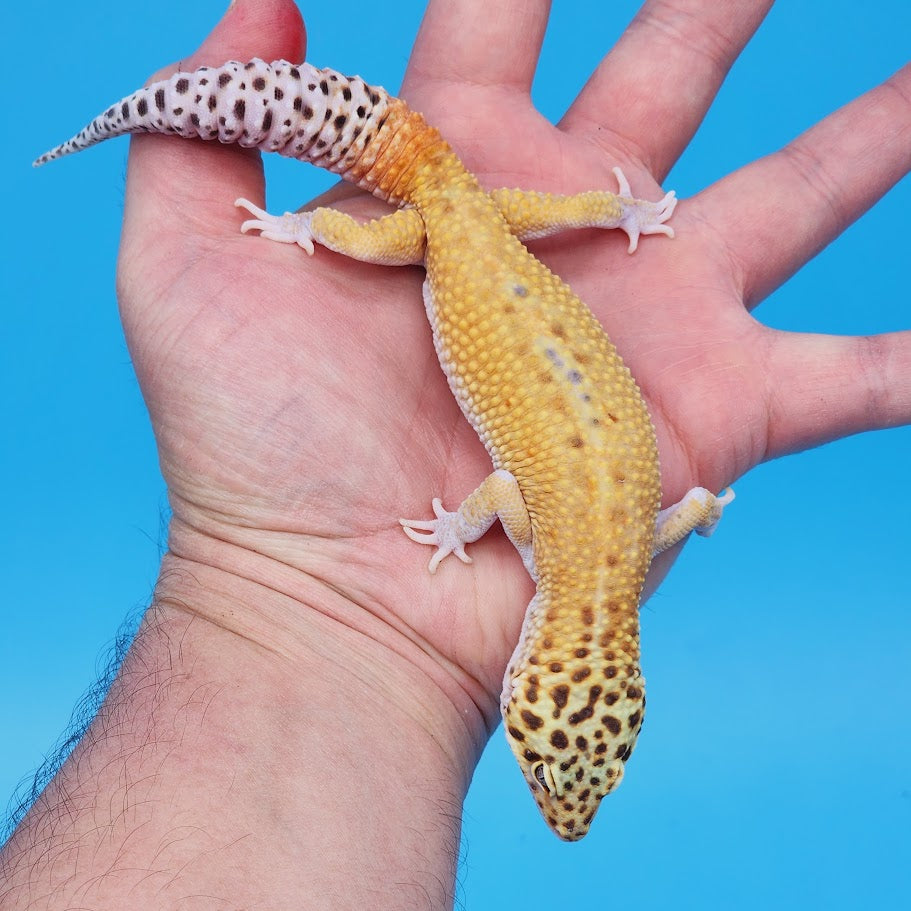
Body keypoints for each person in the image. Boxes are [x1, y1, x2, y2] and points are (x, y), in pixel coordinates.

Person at [2, 0, 908, 906]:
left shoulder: (632, 561)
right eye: (550, 768)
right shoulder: (566, 560)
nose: (554, 802)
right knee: (367, 231)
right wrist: (304, 233)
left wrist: (705, 510)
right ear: (530, 680)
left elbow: (684, 510)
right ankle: (313, 228)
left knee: (492, 206)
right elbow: (505, 496)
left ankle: (596, 211)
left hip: (488, 219)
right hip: (440, 224)